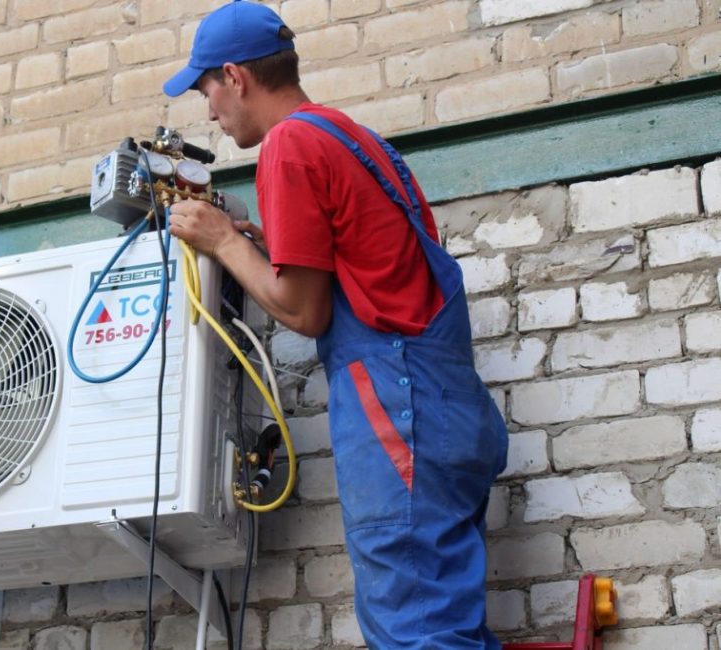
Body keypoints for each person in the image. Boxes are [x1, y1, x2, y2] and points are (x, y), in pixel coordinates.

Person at [163, 1, 509, 647]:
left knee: (417, 632)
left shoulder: (289, 146)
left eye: (206, 91)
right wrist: (271, 248)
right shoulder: (352, 137)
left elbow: (305, 310)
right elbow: (374, 269)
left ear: (235, 77)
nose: (209, 112)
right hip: (450, 409)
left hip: (397, 409)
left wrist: (223, 242)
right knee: (445, 623)